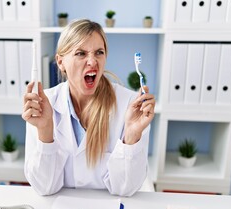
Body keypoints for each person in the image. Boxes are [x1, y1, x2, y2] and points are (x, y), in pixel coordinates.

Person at [22, 19, 155, 197]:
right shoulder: (42, 105)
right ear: (61, 62)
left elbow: (126, 189)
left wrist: (131, 136)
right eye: (81, 53)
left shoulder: (131, 106)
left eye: (99, 52)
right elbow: (44, 187)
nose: (92, 61)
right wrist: (45, 130)